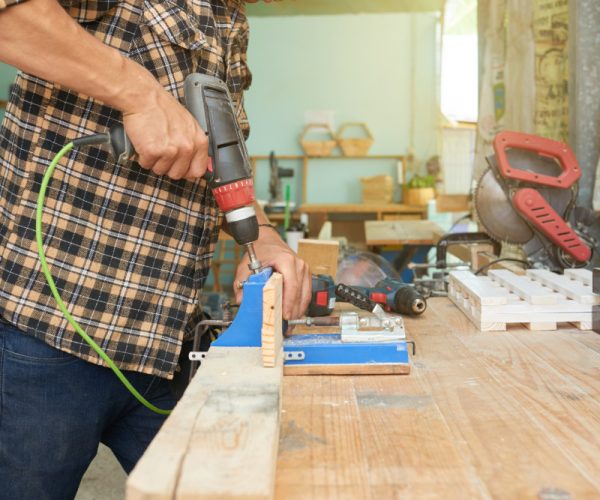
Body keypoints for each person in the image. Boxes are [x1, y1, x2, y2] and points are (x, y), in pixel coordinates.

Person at [0, 0, 310, 497]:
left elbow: (220, 154)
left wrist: (264, 234)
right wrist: (139, 95)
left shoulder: (227, 15)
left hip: (163, 345)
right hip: (51, 333)